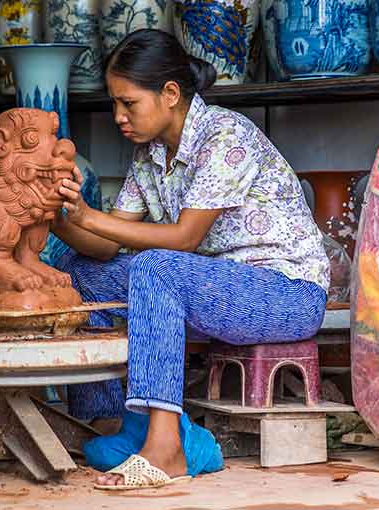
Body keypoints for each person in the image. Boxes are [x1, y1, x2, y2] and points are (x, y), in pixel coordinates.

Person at [50, 29, 330, 490]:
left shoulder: (225, 134)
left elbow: (183, 238)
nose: (119, 116)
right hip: (209, 287)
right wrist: (60, 217)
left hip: (285, 294)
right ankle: (107, 423)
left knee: (155, 265)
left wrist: (88, 215)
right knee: (81, 274)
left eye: (129, 103)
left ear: (171, 94)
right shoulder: (149, 155)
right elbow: (101, 247)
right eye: (114, 104)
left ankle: (166, 448)